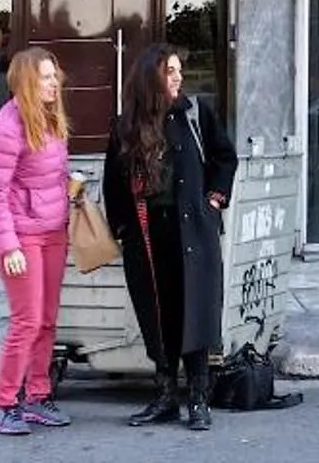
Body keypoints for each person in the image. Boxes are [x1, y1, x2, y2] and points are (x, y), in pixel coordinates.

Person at [105, 44, 236, 432]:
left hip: (192, 229)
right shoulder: (125, 125)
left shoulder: (195, 114)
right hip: (148, 233)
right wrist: (124, 229)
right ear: (150, 78)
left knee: (193, 311)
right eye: (170, 71)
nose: (178, 77)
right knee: (156, 313)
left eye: (180, 70)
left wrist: (214, 200)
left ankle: (197, 397)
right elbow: (114, 184)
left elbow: (224, 157)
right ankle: (164, 395)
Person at [0, 48, 75, 437]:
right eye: (46, 77)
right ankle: (3, 405)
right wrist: (8, 246)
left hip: (54, 231)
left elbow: (49, 176)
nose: (54, 83)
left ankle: (37, 397)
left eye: (55, 76)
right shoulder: (5, 128)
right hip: (22, 236)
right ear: (25, 82)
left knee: (48, 320)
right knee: (27, 320)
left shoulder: (49, 118)